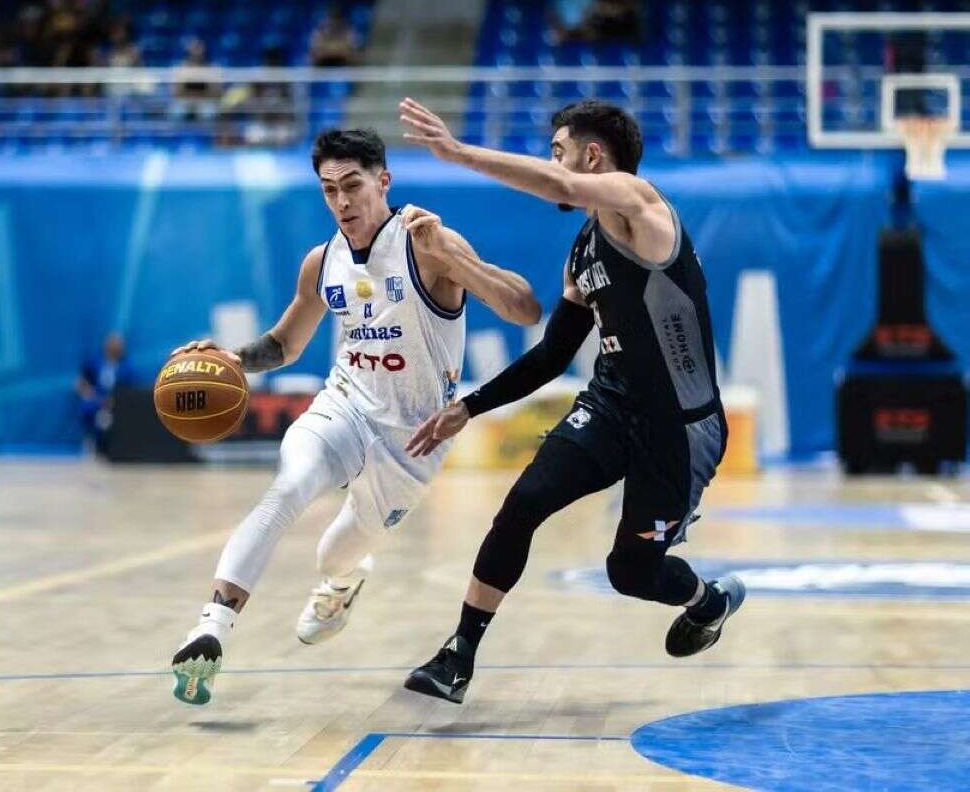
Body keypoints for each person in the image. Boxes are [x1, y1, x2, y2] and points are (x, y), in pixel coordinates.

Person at [169, 128, 541, 706]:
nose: (342, 202)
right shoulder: (323, 262)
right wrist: (228, 359)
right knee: (288, 487)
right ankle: (211, 627)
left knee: (335, 553)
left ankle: (342, 581)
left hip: (412, 439)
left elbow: (524, 307)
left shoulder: (426, 242)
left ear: (383, 181)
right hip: (343, 405)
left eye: (353, 185)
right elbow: (285, 345)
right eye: (328, 190)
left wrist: (457, 259)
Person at [398, 97, 742, 704]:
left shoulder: (642, 205)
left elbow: (557, 182)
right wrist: (469, 407)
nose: (550, 164)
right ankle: (458, 655)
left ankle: (707, 601)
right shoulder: (583, 252)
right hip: (610, 406)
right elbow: (553, 354)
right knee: (524, 502)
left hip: (680, 428)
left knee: (629, 574)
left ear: (592, 156)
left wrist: (455, 153)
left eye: (557, 151)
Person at [76, 332, 135, 453]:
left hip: (116, 403)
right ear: (106, 345)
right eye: (112, 343)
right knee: (87, 408)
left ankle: (116, 447)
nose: (115, 346)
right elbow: (81, 383)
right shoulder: (94, 362)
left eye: (118, 344)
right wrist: (90, 394)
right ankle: (90, 442)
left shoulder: (126, 367)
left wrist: (115, 401)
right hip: (96, 400)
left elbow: (131, 390)